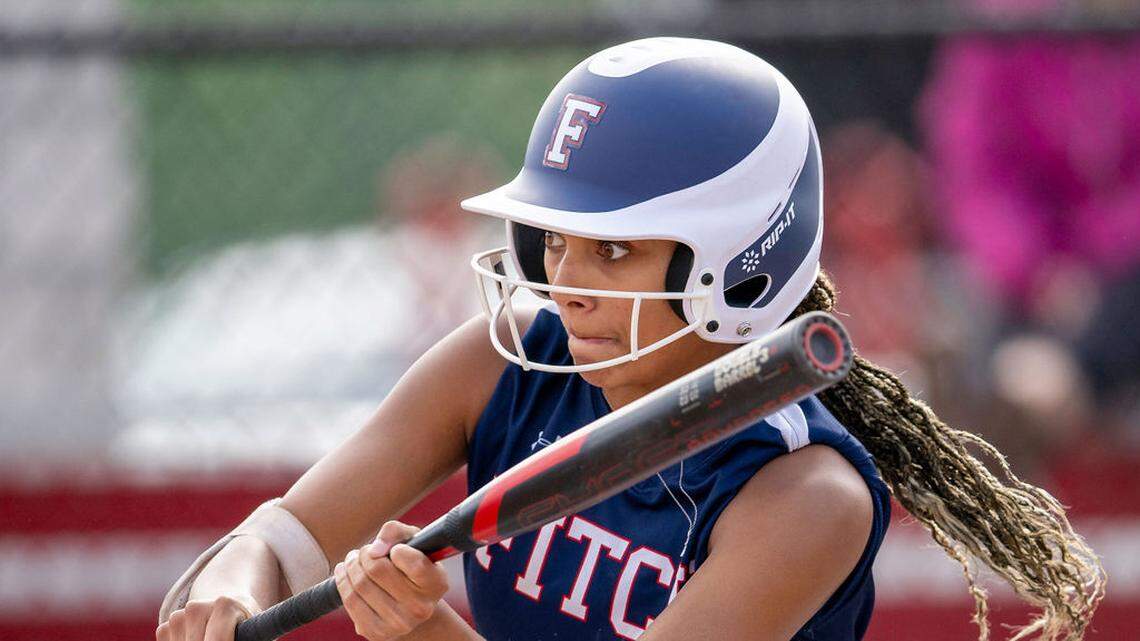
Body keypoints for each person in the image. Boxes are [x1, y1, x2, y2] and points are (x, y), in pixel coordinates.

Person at [156, 38, 1104, 641]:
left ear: (738, 263)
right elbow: (281, 533)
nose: (569, 284)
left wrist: (422, 634)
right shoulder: (503, 364)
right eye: (555, 241)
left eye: (612, 249)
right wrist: (231, 591)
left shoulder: (804, 491)